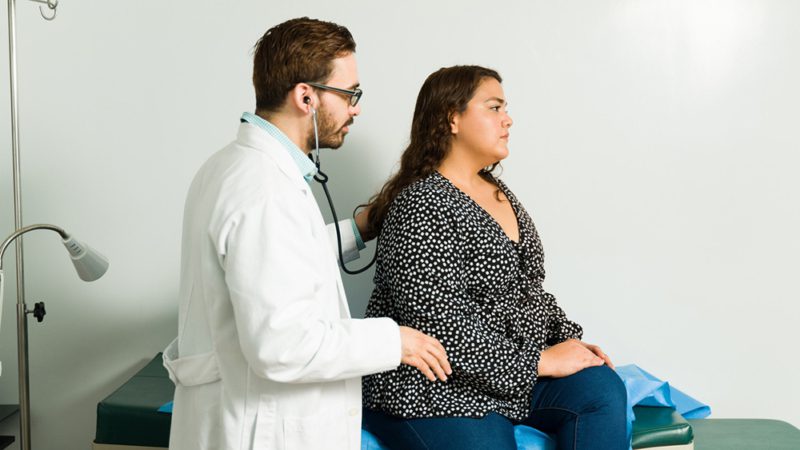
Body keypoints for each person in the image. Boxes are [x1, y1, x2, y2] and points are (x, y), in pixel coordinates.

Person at [162, 18, 451, 450]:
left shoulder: (231, 167)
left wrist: (359, 228)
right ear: (305, 97)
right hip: (260, 432)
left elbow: (279, 262)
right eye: (350, 94)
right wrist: (395, 340)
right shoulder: (263, 190)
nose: (356, 108)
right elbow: (282, 344)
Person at [359, 65, 628, 450]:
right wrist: (539, 363)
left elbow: (528, 290)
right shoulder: (420, 205)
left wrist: (568, 341)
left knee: (600, 389)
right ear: (453, 118)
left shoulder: (496, 189)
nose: (508, 119)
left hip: (512, 373)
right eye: (494, 107)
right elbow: (440, 326)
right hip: (438, 384)